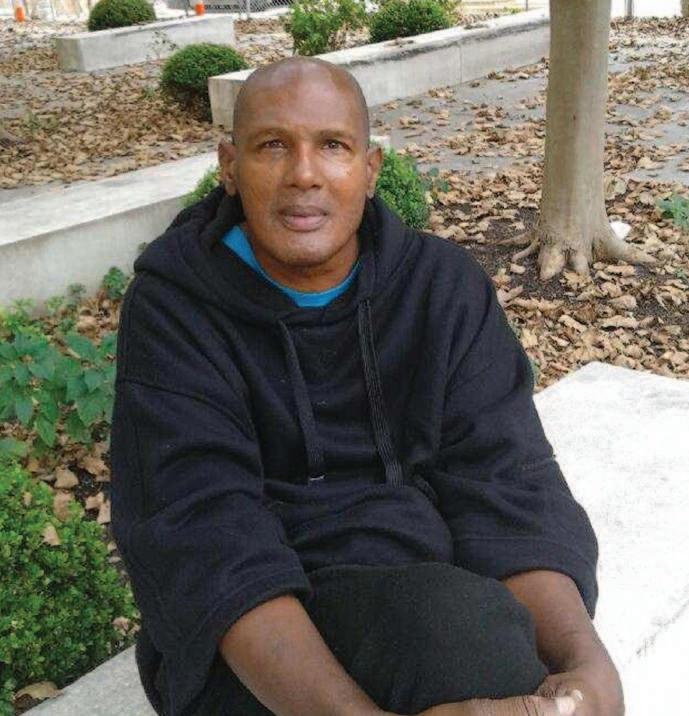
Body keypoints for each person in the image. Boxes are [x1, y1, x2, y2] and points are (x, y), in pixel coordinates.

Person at [110, 57, 623, 716]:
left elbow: (505, 483)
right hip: (249, 635)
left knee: (475, 641)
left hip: (423, 590)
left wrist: (585, 661)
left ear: (371, 169)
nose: (303, 173)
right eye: (272, 146)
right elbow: (205, 537)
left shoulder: (441, 289)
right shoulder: (175, 309)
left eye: (332, 145)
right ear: (229, 167)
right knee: (468, 642)